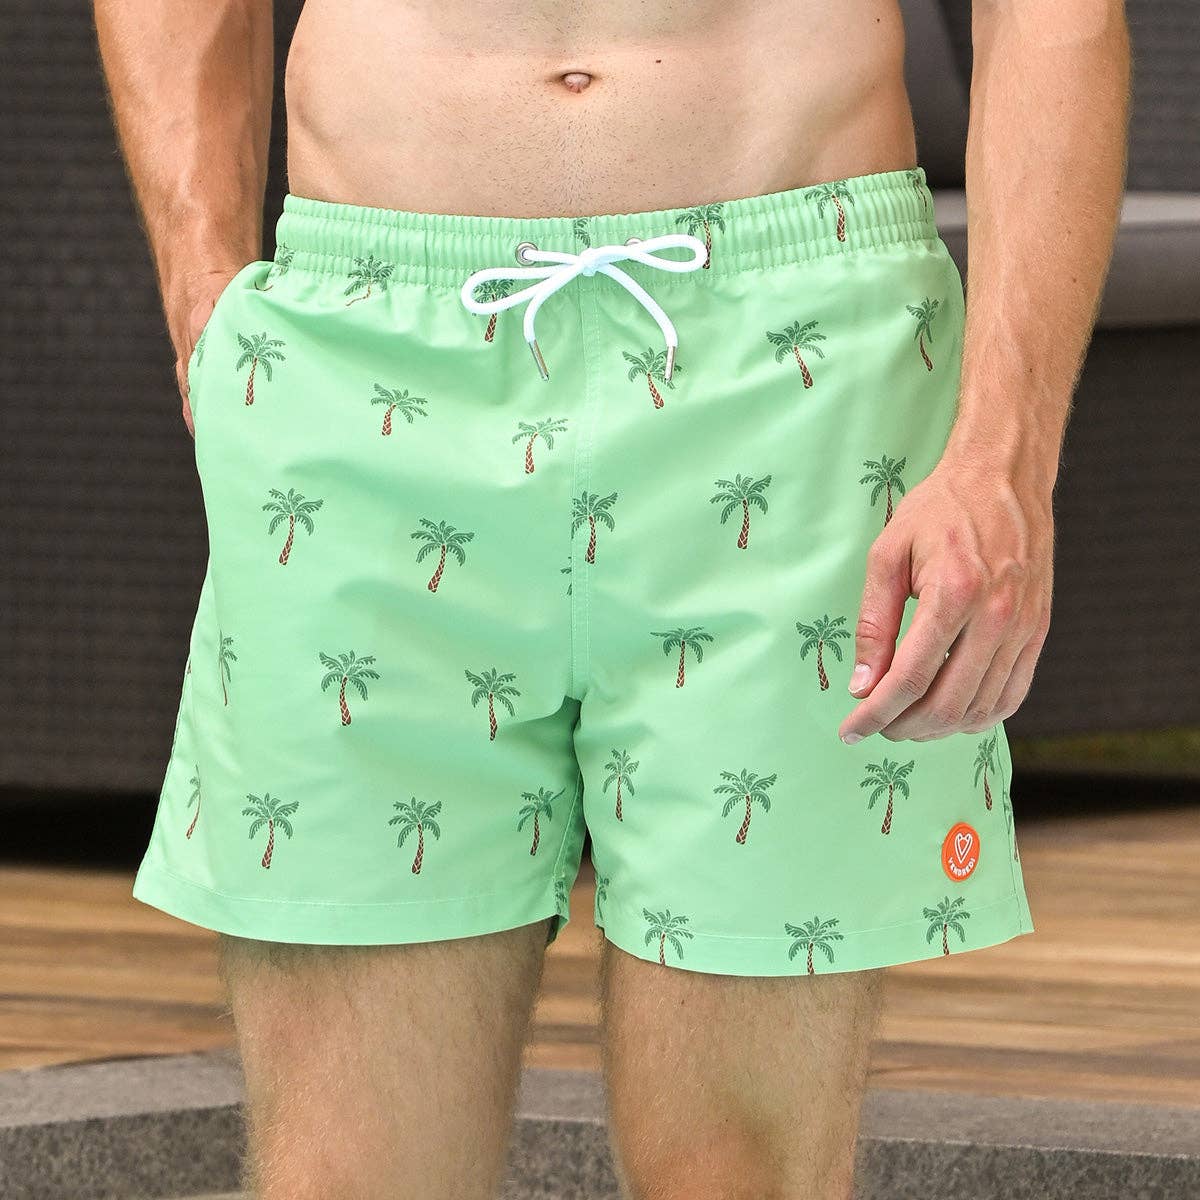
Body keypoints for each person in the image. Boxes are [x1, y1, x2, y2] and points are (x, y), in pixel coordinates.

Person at [95, 1, 1129, 1196]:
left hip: (795, 373)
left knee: (739, 1176)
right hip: (364, 360)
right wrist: (202, 284)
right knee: (345, 1177)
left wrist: (1004, 459)